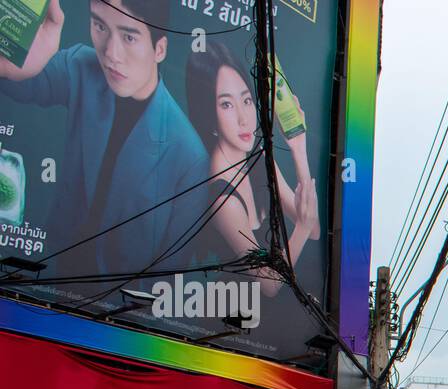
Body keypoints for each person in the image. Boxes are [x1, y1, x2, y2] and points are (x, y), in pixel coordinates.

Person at [0, 0, 210, 278]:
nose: (111, 53)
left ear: (159, 49)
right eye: (100, 25)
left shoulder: (190, 156)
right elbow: (17, 84)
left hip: (114, 308)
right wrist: (15, 59)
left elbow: (168, 278)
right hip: (43, 275)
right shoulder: (80, 66)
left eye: (128, 36)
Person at [185, 40, 319, 296]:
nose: (243, 118)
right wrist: (299, 228)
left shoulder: (255, 156)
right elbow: (268, 284)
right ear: (208, 113)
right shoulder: (223, 197)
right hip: (222, 326)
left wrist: (298, 148)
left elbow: (313, 227)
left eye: (246, 100)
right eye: (226, 104)